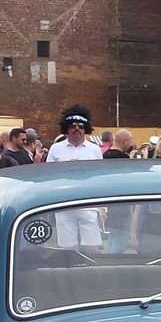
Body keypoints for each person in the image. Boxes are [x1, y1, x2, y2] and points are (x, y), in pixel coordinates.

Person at [46, 106, 105, 251]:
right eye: (72, 126)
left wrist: (102, 207)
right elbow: (49, 176)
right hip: (64, 203)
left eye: (81, 126)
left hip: (88, 203)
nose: (76, 129)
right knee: (68, 250)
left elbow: (100, 179)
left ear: (86, 129)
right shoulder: (56, 149)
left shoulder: (94, 150)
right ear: (66, 128)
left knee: (93, 248)